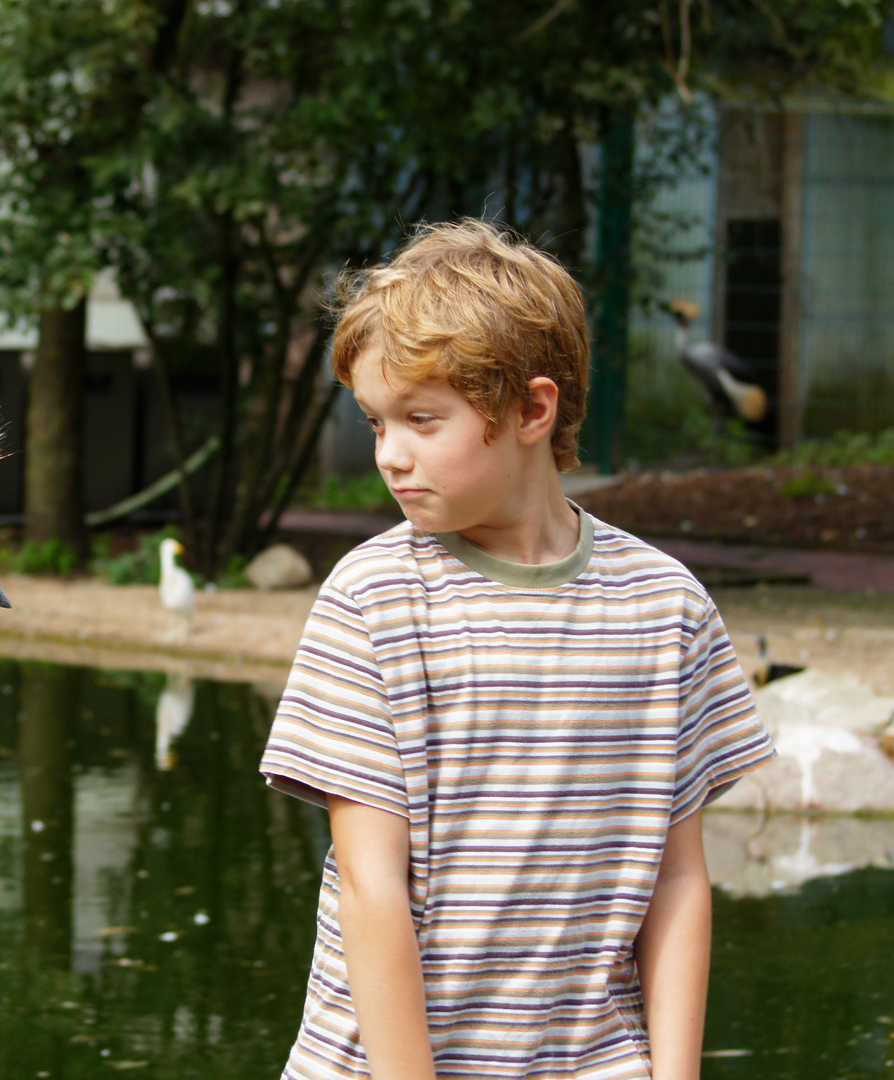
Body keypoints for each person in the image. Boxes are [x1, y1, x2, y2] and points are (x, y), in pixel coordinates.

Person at [259, 219, 773, 1080]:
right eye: (376, 422)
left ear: (532, 408)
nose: (389, 455)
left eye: (422, 420)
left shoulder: (665, 606)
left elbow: (676, 880)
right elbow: (370, 889)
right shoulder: (372, 600)